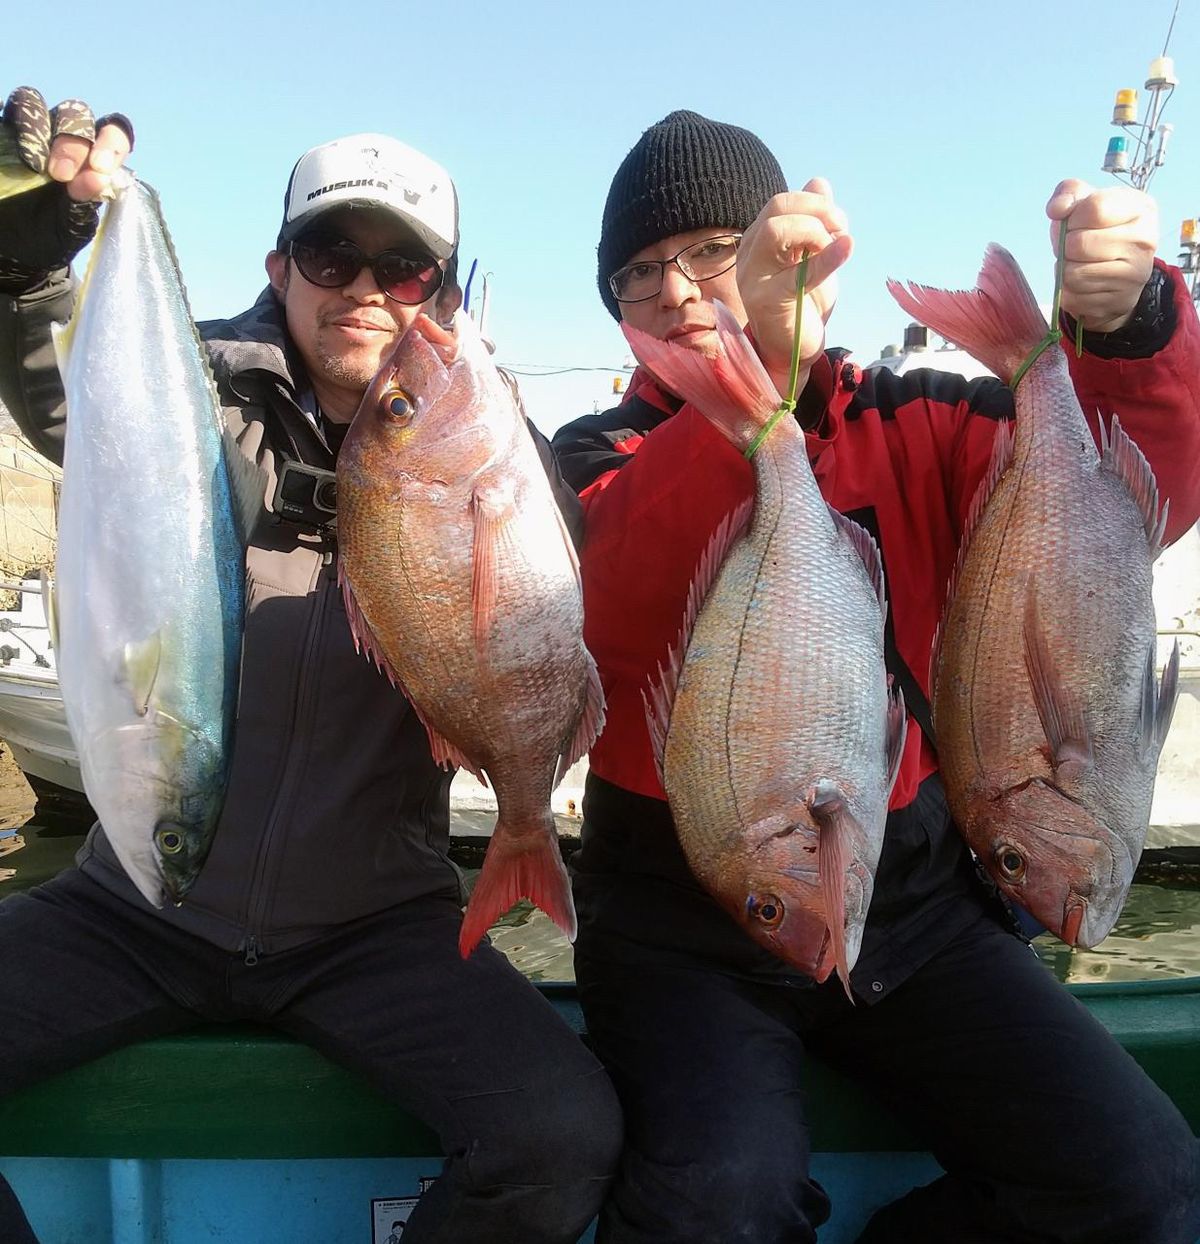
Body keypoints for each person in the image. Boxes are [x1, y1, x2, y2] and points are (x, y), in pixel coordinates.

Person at [552, 109, 1200, 1244]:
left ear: (783, 248)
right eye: (638, 272)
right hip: (677, 918)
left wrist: (1134, 328)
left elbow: (1128, 500)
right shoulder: (594, 453)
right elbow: (615, 599)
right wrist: (759, 387)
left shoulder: (930, 416)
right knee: (714, 1205)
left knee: (1146, 1183)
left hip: (916, 901)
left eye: (712, 251)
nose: (679, 290)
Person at [0, 86, 621, 1244]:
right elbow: (67, 404)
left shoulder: (500, 455)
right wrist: (31, 272)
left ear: (440, 291)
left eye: (408, 268)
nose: (366, 289)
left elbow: (543, 618)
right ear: (282, 261)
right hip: (136, 900)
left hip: (376, 921)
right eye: (335, 252)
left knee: (558, 1135)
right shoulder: (194, 392)